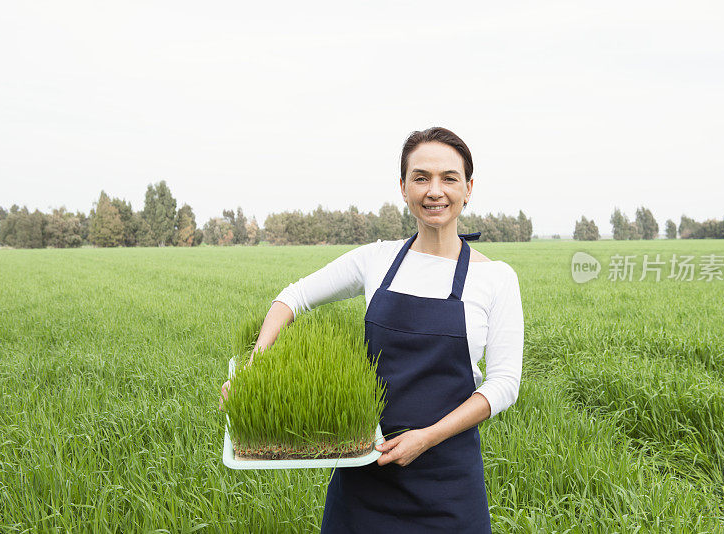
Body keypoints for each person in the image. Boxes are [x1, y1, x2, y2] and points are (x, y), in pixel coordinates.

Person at [221, 126, 524, 533]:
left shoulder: (496, 279)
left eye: (449, 178)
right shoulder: (376, 260)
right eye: (421, 177)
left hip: (447, 483)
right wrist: (256, 364)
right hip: (365, 473)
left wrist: (428, 437)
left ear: (468, 188)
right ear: (403, 188)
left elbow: (504, 384)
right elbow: (292, 298)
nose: (435, 190)